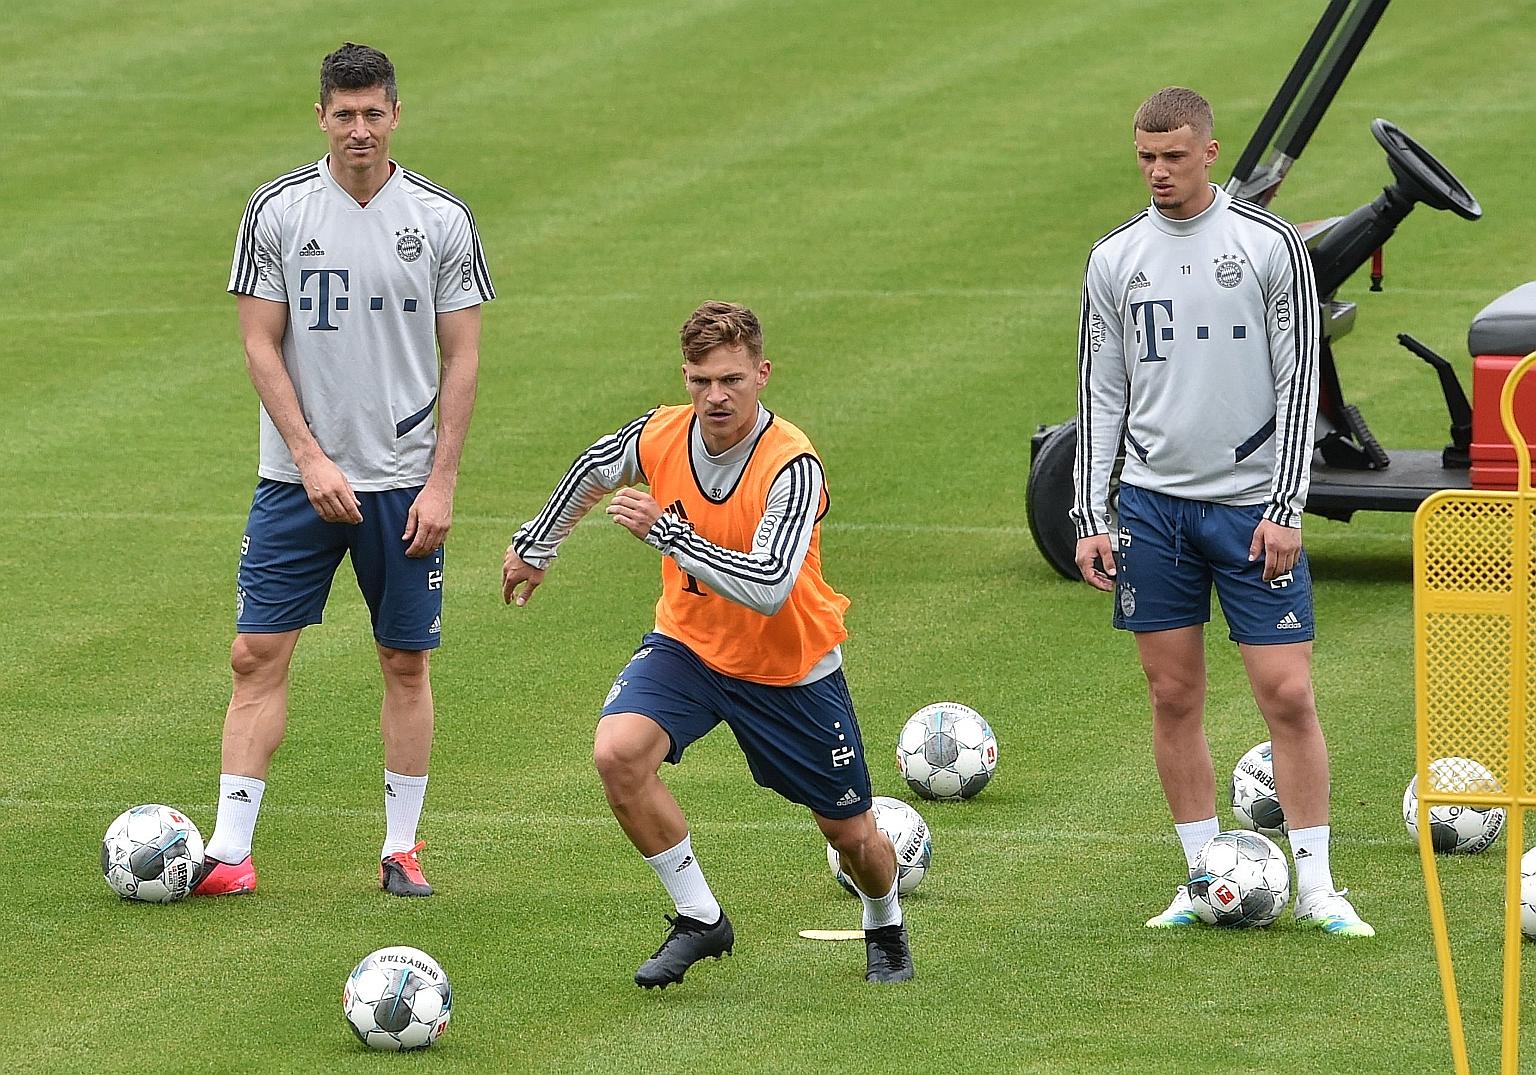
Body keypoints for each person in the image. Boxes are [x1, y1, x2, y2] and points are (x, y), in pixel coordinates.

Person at [502, 301, 914, 986]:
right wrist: (537, 546)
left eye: (730, 379)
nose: (714, 396)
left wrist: (671, 535)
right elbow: (595, 467)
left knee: (851, 835)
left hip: (789, 668)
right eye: (700, 380)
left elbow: (770, 584)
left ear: (762, 373)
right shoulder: (664, 432)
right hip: (688, 648)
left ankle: (885, 918)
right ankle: (700, 916)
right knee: (618, 753)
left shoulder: (792, 464)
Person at [1071, 87, 1372, 937]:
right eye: (1144, 157)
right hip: (1153, 509)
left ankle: (1316, 885)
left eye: (1172, 155)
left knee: (1286, 692)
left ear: (1209, 152)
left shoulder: (1268, 245)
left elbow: (1298, 381)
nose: (1157, 172)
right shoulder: (1115, 258)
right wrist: (1092, 514)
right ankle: (1202, 873)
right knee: (1172, 695)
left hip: (1248, 511)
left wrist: (1285, 506)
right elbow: (1100, 392)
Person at [196, 42, 494, 898]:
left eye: (373, 113)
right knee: (256, 653)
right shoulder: (279, 210)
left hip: (403, 479)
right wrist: (308, 455)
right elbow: (259, 342)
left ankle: (402, 848)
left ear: (396, 115)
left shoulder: (440, 219)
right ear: (320, 116)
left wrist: (441, 483)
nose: (358, 129)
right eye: (344, 114)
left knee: (404, 661)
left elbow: (463, 357)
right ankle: (230, 850)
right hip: (297, 481)